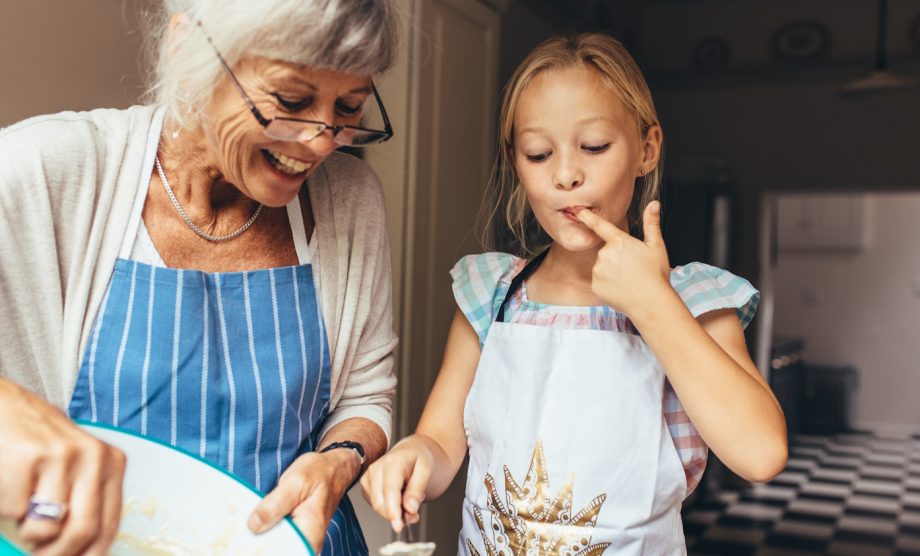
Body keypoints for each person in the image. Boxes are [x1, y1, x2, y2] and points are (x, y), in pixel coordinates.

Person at [360, 33, 788, 554]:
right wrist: (417, 459)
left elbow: (761, 454)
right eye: (539, 153)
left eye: (594, 147)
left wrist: (654, 305)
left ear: (646, 150)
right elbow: (441, 442)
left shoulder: (695, 301)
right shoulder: (491, 295)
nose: (566, 174)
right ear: (516, 161)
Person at [0, 1, 401, 554]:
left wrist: (339, 461)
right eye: (292, 100)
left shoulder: (352, 201)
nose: (321, 141)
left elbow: (366, 394)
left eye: (349, 107)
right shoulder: (45, 170)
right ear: (189, 49)